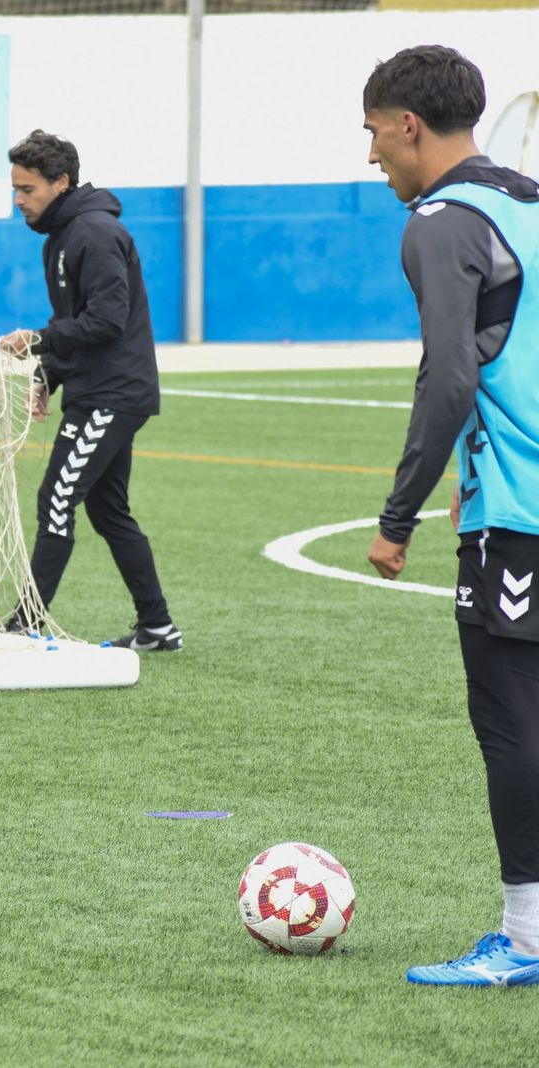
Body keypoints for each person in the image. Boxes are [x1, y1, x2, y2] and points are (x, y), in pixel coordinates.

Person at [363, 45, 539, 988]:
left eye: (372, 135)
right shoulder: (529, 199)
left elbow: (450, 377)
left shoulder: (440, 218)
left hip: (520, 508)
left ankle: (524, 938)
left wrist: (399, 519)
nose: (372, 159)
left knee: (512, 718)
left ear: (407, 127)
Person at [0, 129, 180, 651]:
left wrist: (37, 341)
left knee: (56, 497)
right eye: (15, 189)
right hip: (96, 388)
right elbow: (73, 320)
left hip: (112, 394)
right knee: (108, 511)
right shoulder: (62, 236)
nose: (19, 200)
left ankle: (26, 625)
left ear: (61, 182)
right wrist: (47, 373)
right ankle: (158, 627)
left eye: (28, 189)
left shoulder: (94, 234)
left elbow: (107, 320)